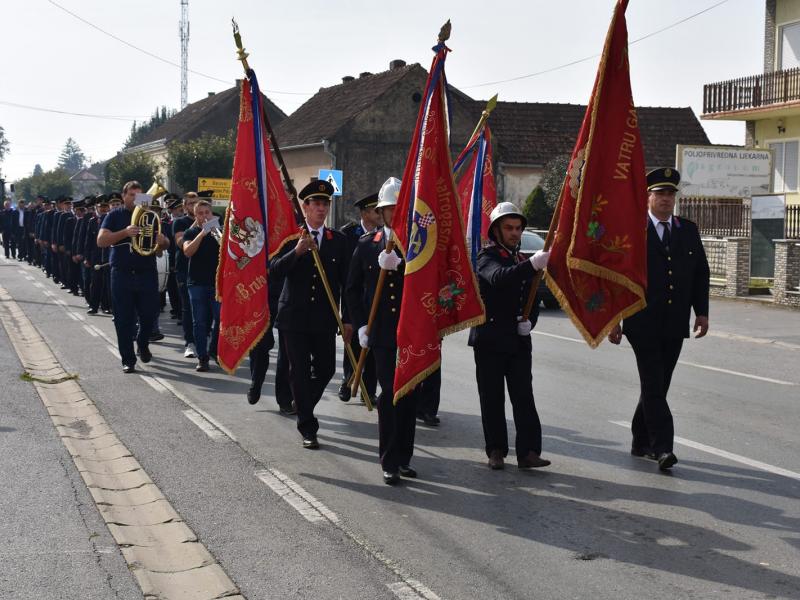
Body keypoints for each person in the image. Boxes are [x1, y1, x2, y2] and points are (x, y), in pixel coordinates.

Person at [609, 167, 710, 472]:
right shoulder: (633, 231)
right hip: (641, 322)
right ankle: (662, 447)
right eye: (660, 193)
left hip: (675, 322)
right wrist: (614, 319)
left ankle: (640, 440)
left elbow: (700, 274)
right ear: (648, 197)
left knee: (659, 384)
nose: (666, 199)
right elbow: (618, 276)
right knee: (653, 383)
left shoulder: (687, 230)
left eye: (670, 194)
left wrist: (701, 312)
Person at [346, 177, 420, 485]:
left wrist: (400, 265)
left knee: (409, 394)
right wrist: (362, 324)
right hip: (382, 332)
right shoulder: (367, 244)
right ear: (381, 212)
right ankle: (389, 460)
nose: (396, 214)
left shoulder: (418, 245)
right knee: (389, 394)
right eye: (391, 209)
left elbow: (423, 285)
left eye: (401, 209)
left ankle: (404, 457)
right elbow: (352, 289)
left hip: (410, 331)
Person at [469, 202, 551, 471]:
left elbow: (532, 299)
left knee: (524, 396)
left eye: (518, 228)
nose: (515, 233)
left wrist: (530, 322)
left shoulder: (521, 259)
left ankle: (528, 452)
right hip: (490, 339)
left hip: (518, 340)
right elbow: (499, 278)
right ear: (496, 230)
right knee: (492, 398)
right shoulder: (486, 257)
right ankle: (496, 450)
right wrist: (532, 265)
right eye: (509, 228)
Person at [271, 179, 352, 449]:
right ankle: (307, 426)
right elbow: (274, 271)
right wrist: (297, 252)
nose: (321, 208)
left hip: (324, 319)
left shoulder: (338, 241)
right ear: (304, 207)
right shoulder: (290, 236)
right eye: (316, 203)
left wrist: (348, 319)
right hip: (293, 317)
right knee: (300, 372)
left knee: (327, 368)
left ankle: (302, 402)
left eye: (325, 204)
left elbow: (348, 284)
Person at [97, 181, 169, 373]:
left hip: (146, 273)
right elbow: (101, 241)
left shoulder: (150, 215)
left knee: (149, 315)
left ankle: (143, 343)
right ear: (123, 196)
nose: (136, 199)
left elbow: (163, 246)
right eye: (131, 195)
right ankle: (128, 359)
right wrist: (125, 232)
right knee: (123, 319)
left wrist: (162, 241)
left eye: (139, 195)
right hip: (122, 274)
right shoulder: (114, 215)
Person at [337, 193, 380, 403]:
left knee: (373, 349)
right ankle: (348, 381)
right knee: (353, 344)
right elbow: (344, 278)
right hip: (353, 300)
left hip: (374, 300)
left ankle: (368, 390)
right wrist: (345, 315)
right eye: (375, 210)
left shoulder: (383, 236)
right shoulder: (348, 235)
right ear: (364, 213)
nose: (379, 214)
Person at [181, 200, 221, 372]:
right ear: (195, 216)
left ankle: (214, 350)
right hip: (196, 283)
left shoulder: (220, 232)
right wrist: (202, 234)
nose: (204, 216)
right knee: (199, 322)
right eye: (200, 213)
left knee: (220, 319)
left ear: (212, 214)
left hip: (217, 283)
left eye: (207, 213)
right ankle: (202, 357)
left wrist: (217, 234)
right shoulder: (191, 232)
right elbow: (187, 251)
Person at [173, 191, 198, 358]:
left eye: (196, 203)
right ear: (184, 206)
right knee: (188, 308)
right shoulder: (179, 222)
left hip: (205, 270)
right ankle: (190, 342)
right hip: (184, 270)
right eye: (190, 203)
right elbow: (181, 243)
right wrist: (197, 224)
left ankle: (204, 339)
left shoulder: (210, 219)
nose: (194, 206)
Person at [85, 195, 111, 315]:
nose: (104, 209)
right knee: (95, 283)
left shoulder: (111, 220)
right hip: (96, 257)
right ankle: (93, 306)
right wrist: (87, 258)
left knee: (107, 283)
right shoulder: (92, 221)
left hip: (108, 257)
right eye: (101, 206)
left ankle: (106, 306)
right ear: (97, 207)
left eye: (106, 206)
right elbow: (88, 241)